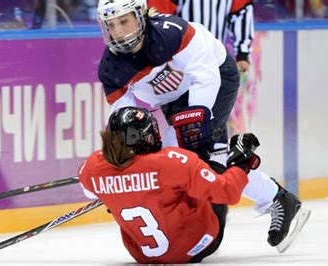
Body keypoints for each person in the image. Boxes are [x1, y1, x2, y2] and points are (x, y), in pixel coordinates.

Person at [95, 0, 309, 251]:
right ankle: (278, 198)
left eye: (123, 21)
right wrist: (133, 155)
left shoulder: (171, 32)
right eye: (110, 25)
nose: (118, 31)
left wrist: (195, 123)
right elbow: (127, 117)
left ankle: (276, 198)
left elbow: (205, 76)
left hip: (216, 78)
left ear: (141, 16)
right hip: (173, 102)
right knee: (178, 160)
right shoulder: (111, 68)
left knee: (198, 156)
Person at [78, 106, 310, 263]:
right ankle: (278, 197)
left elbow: (90, 192)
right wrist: (241, 163)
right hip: (199, 243)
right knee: (215, 161)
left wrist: (120, 192)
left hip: (144, 257)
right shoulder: (173, 162)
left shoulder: (92, 169)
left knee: (176, 187)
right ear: (149, 136)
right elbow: (227, 193)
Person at [147, 0, 254, 73]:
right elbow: (159, 17)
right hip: (180, 59)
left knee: (212, 100)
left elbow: (241, 13)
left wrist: (242, 54)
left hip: (215, 57)